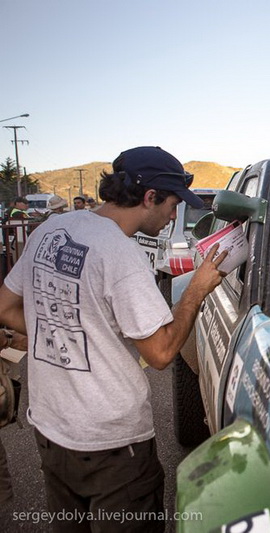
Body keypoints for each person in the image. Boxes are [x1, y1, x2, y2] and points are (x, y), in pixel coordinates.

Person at [0, 146, 228, 531]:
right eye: (172, 204)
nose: (174, 216)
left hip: (52, 431)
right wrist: (195, 290)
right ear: (149, 196)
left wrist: (64, 332)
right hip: (113, 445)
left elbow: (5, 307)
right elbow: (160, 352)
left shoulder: (52, 230)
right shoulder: (121, 255)